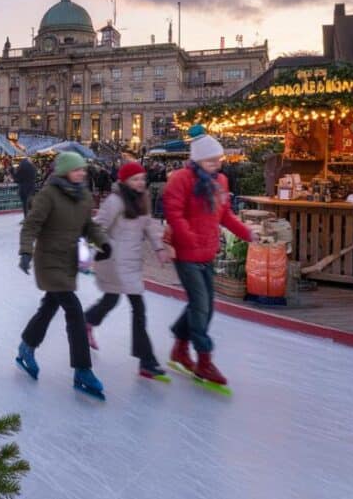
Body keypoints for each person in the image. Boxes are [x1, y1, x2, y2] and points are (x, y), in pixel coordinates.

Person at [15, 151, 111, 399]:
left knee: (48, 308)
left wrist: (103, 243)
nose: (82, 173)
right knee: (74, 312)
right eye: (77, 169)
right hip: (49, 262)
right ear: (65, 171)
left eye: (83, 169)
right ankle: (82, 369)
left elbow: (89, 226)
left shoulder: (84, 196)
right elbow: (32, 225)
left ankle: (26, 347)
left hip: (67, 262)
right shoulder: (49, 195)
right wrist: (26, 252)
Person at [162, 129, 254, 387]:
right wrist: (188, 238)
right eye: (211, 160)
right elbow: (174, 213)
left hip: (207, 251)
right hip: (186, 253)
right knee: (201, 304)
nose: (216, 164)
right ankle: (204, 361)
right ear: (197, 160)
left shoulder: (220, 182)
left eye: (219, 159)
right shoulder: (181, 179)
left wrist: (247, 233)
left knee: (203, 304)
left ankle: (180, 346)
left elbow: (224, 215)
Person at [83, 162, 172, 380]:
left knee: (122, 304)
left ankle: (87, 322)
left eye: (142, 178)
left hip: (130, 263)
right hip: (112, 262)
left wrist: (159, 248)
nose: (140, 182)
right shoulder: (115, 201)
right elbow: (98, 226)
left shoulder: (143, 199)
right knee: (121, 303)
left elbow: (149, 225)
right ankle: (146, 360)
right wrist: (90, 249)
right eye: (135, 179)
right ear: (124, 181)